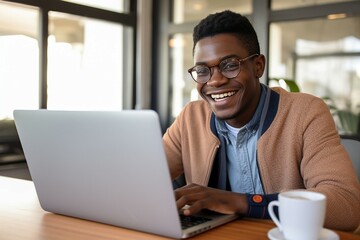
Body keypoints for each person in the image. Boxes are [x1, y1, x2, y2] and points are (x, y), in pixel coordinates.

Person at [162, 10, 360, 231]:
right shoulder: (191, 118)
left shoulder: (306, 113)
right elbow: (143, 178)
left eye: (229, 65)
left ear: (258, 66)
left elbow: (346, 206)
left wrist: (238, 202)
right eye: (202, 70)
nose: (215, 81)